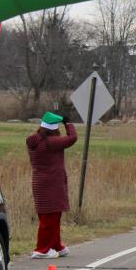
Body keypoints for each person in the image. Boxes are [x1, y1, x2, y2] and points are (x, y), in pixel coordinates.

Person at [26, 111, 78, 259]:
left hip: (39, 182)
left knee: (51, 216)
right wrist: (68, 123)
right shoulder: (51, 142)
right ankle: (42, 249)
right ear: (54, 129)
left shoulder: (34, 141)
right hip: (52, 184)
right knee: (50, 218)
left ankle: (56, 245)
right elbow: (73, 138)